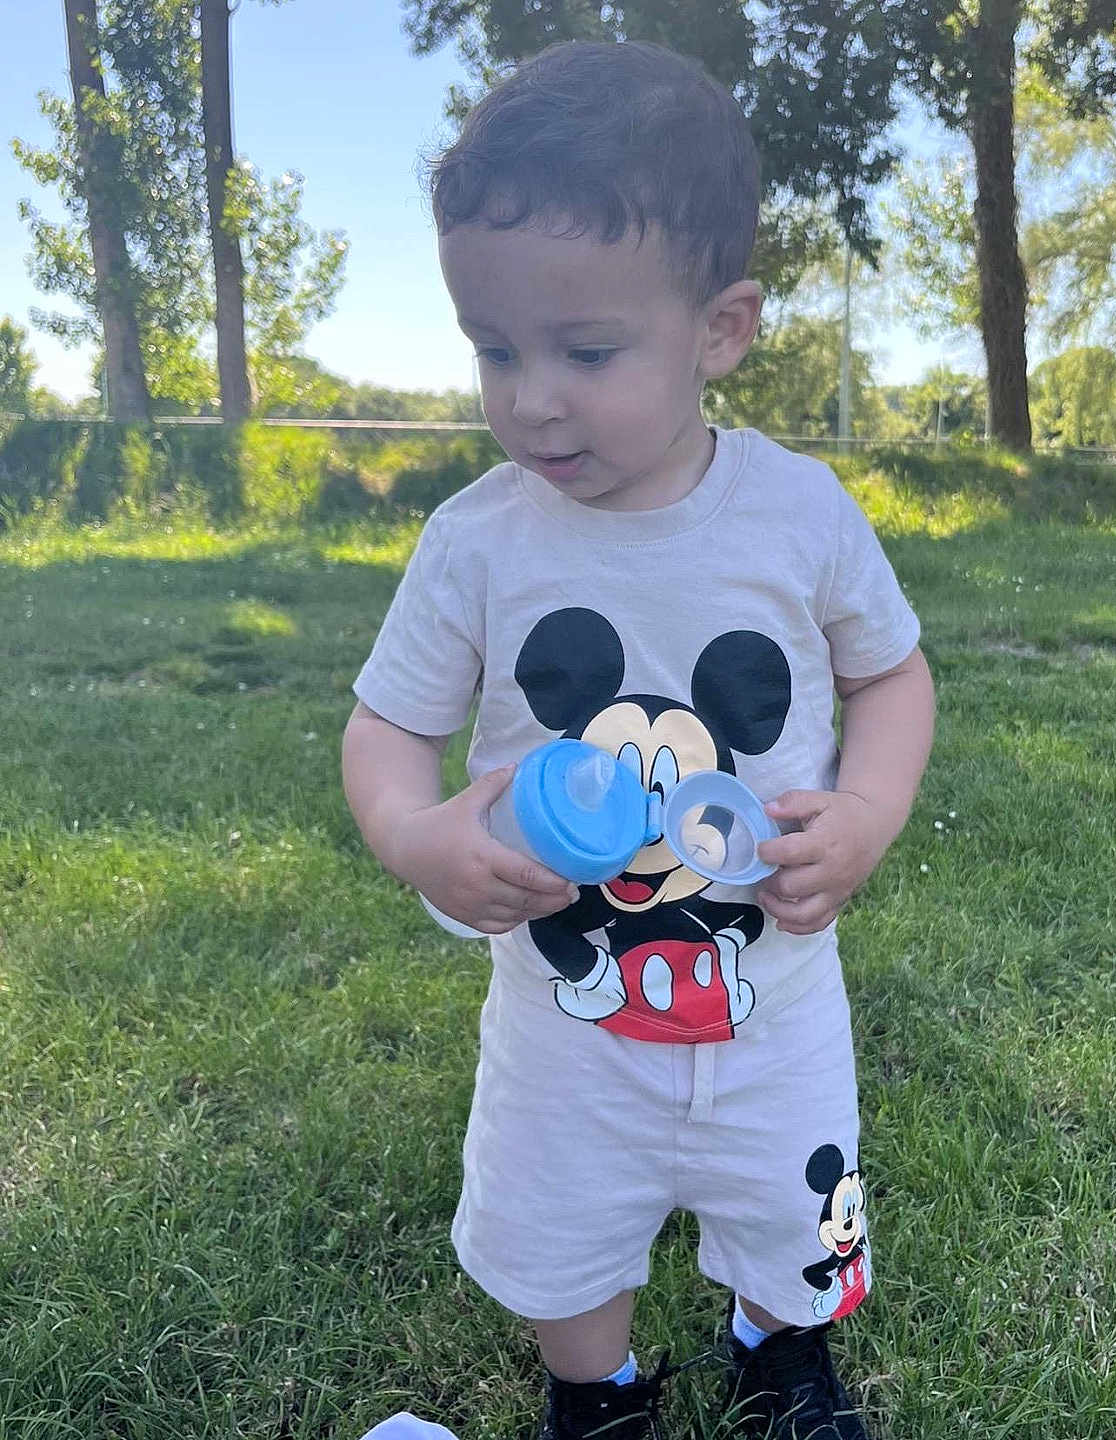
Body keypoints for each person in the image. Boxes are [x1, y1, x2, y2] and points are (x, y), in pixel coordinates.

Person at [341, 39, 934, 1440]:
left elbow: (896, 678)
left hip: (771, 983)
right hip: (565, 1003)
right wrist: (421, 835)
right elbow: (386, 728)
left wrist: (867, 814)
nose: (532, 395)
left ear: (721, 329)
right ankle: (594, 1390)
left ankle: (778, 1353)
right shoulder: (476, 543)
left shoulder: (796, 515)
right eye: (495, 349)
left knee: (791, 1193)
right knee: (561, 1213)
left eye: (587, 351)